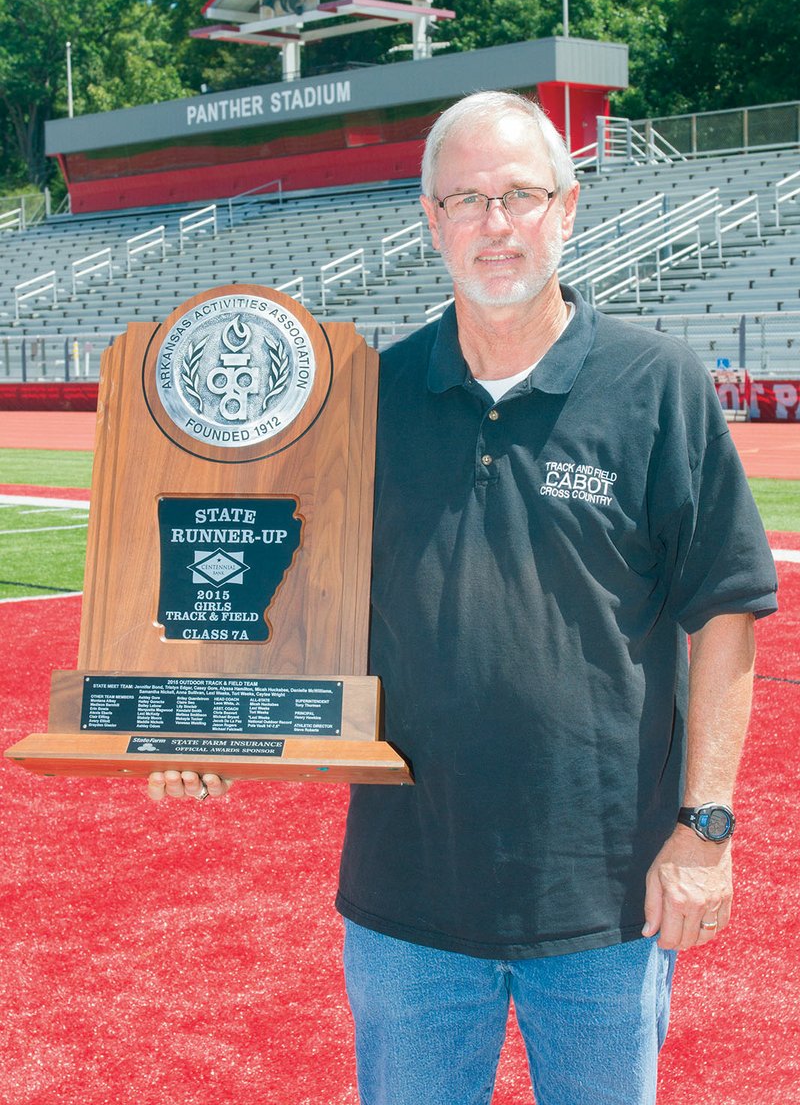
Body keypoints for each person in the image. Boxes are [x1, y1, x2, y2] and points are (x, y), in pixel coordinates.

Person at [149, 91, 778, 1105]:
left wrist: (703, 831)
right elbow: (291, 601)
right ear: (428, 219)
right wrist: (211, 725)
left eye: (520, 195)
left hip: (604, 902)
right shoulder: (362, 399)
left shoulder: (657, 386)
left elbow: (725, 612)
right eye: (467, 200)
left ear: (566, 209)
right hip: (407, 904)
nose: (496, 223)